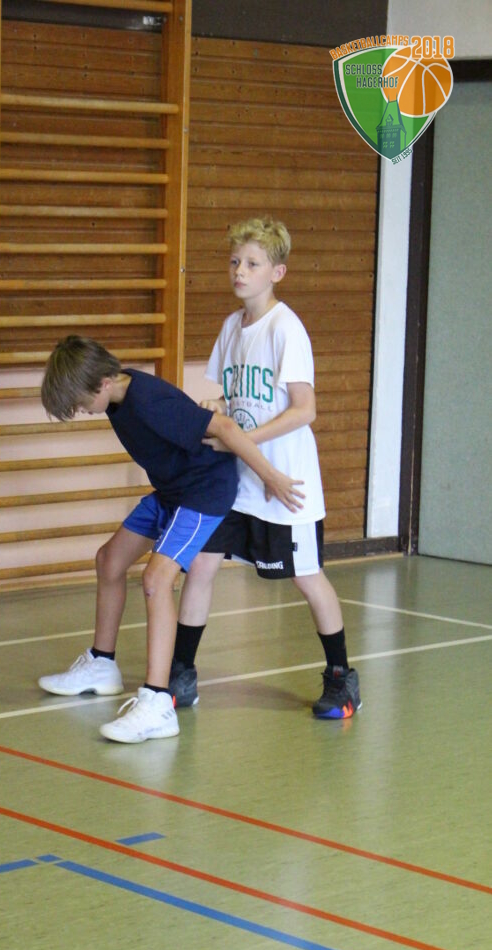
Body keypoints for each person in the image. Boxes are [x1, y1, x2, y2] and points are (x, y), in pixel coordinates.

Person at [37, 334, 305, 743]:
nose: (80, 410)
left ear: (103, 382)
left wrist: (271, 476)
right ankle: (102, 664)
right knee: (109, 560)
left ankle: (158, 702)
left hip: (203, 493)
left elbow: (224, 426)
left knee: (156, 579)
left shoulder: (148, 401)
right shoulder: (118, 395)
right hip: (173, 491)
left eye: (80, 401)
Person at [171, 215, 361, 719]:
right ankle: (181, 673)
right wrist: (217, 412)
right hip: (238, 481)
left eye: (252, 263)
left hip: (284, 480)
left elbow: (305, 409)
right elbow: (231, 396)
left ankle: (341, 677)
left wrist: (242, 441)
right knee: (202, 564)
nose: (240, 271)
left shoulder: (286, 329)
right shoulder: (232, 328)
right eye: (235, 261)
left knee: (307, 577)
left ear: (277, 272)